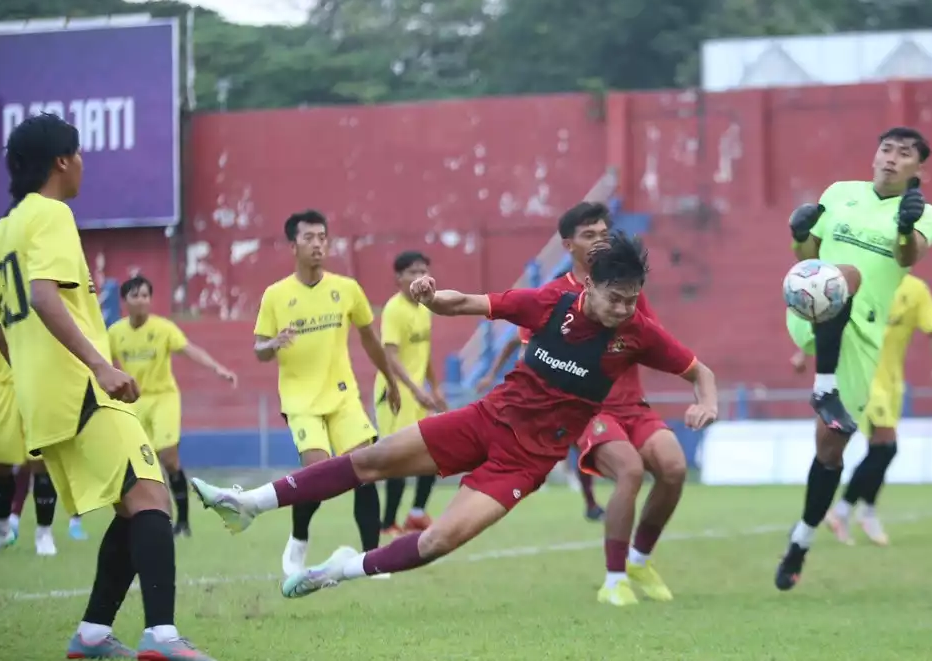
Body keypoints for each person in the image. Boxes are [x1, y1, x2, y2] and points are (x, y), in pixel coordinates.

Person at [191, 231, 718, 603]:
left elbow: (700, 370)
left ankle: (338, 570)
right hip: (485, 420)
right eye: (617, 298)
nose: (626, 309)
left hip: (525, 463)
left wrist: (706, 401)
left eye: (632, 300)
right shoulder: (549, 303)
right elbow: (465, 302)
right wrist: (429, 295)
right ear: (589, 287)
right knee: (370, 459)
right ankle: (248, 503)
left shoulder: (637, 334)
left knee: (437, 541)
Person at [0, 112, 213, 659]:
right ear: (63, 161)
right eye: (81, 153)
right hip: (81, 389)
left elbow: (0, 327)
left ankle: (92, 633)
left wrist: (32, 379)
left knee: (131, 504)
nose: (84, 163)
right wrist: (100, 365)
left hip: (41, 401)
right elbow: (44, 296)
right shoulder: (52, 214)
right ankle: (162, 637)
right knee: (153, 497)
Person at [484, 202, 692, 604]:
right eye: (589, 234)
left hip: (634, 405)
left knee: (674, 468)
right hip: (588, 409)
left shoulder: (627, 288)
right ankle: (614, 581)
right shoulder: (554, 295)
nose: (600, 239)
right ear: (568, 245)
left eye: (604, 232)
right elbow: (530, 347)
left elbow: (652, 342)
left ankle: (639, 560)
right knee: (629, 472)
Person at [775, 126, 932, 591]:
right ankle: (822, 386)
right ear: (875, 155)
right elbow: (808, 254)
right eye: (886, 149)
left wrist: (906, 227)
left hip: (861, 337)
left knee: (830, 453)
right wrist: (800, 233)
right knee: (841, 273)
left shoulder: (925, 213)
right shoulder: (840, 193)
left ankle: (801, 542)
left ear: (917, 169)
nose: (891, 158)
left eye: (903, 153)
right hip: (809, 305)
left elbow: (910, 257)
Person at [252, 209, 427, 578]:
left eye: (322, 237)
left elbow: (370, 339)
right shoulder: (275, 295)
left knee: (365, 467)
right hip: (301, 400)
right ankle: (299, 538)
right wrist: (273, 343)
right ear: (293, 245)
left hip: (343, 396)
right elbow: (259, 351)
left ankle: (371, 558)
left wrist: (391, 381)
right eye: (309, 238)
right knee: (318, 475)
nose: (317, 244)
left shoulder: (347, 288)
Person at [789, 273, 932, 545]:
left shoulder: (917, 289)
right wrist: (803, 352)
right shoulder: (865, 281)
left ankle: (862, 510)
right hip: (863, 377)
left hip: (892, 383)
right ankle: (847, 510)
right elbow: (830, 316)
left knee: (882, 449)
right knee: (886, 445)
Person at [480, 207, 615, 523]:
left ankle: (589, 500)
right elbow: (514, 341)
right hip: (530, 389)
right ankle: (504, 480)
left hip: (562, 391)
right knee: (516, 437)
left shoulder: (576, 312)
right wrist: (489, 374)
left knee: (574, 443)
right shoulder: (543, 309)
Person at [108, 274, 239, 537]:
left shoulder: (164, 328)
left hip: (164, 397)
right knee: (139, 463)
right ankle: (147, 519)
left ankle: (184, 522)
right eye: (135, 296)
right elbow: (104, 363)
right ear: (125, 301)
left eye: (146, 295)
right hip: (134, 401)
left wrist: (217, 368)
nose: (142, 301)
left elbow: (189, 349)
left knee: (168, 457)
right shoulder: (115, 333)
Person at [0, 290, 59, 556]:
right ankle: (0, 531)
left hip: (39, 387)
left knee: (41, 462)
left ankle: (44, 534)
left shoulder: (38, 297)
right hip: (5, 388)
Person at [375, 250, 446, 537]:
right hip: (396, 396)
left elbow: (424, 353)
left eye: (423, 271)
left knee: (435, 450)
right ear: (399, 278)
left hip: (418, 395)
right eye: (413, 272)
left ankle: (417, 514)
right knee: (399, 460)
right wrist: (415, 391)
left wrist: (435, 386)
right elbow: (390, 357)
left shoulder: (424, 307)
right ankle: (387, 523)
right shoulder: (394, 309)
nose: (419, 277)